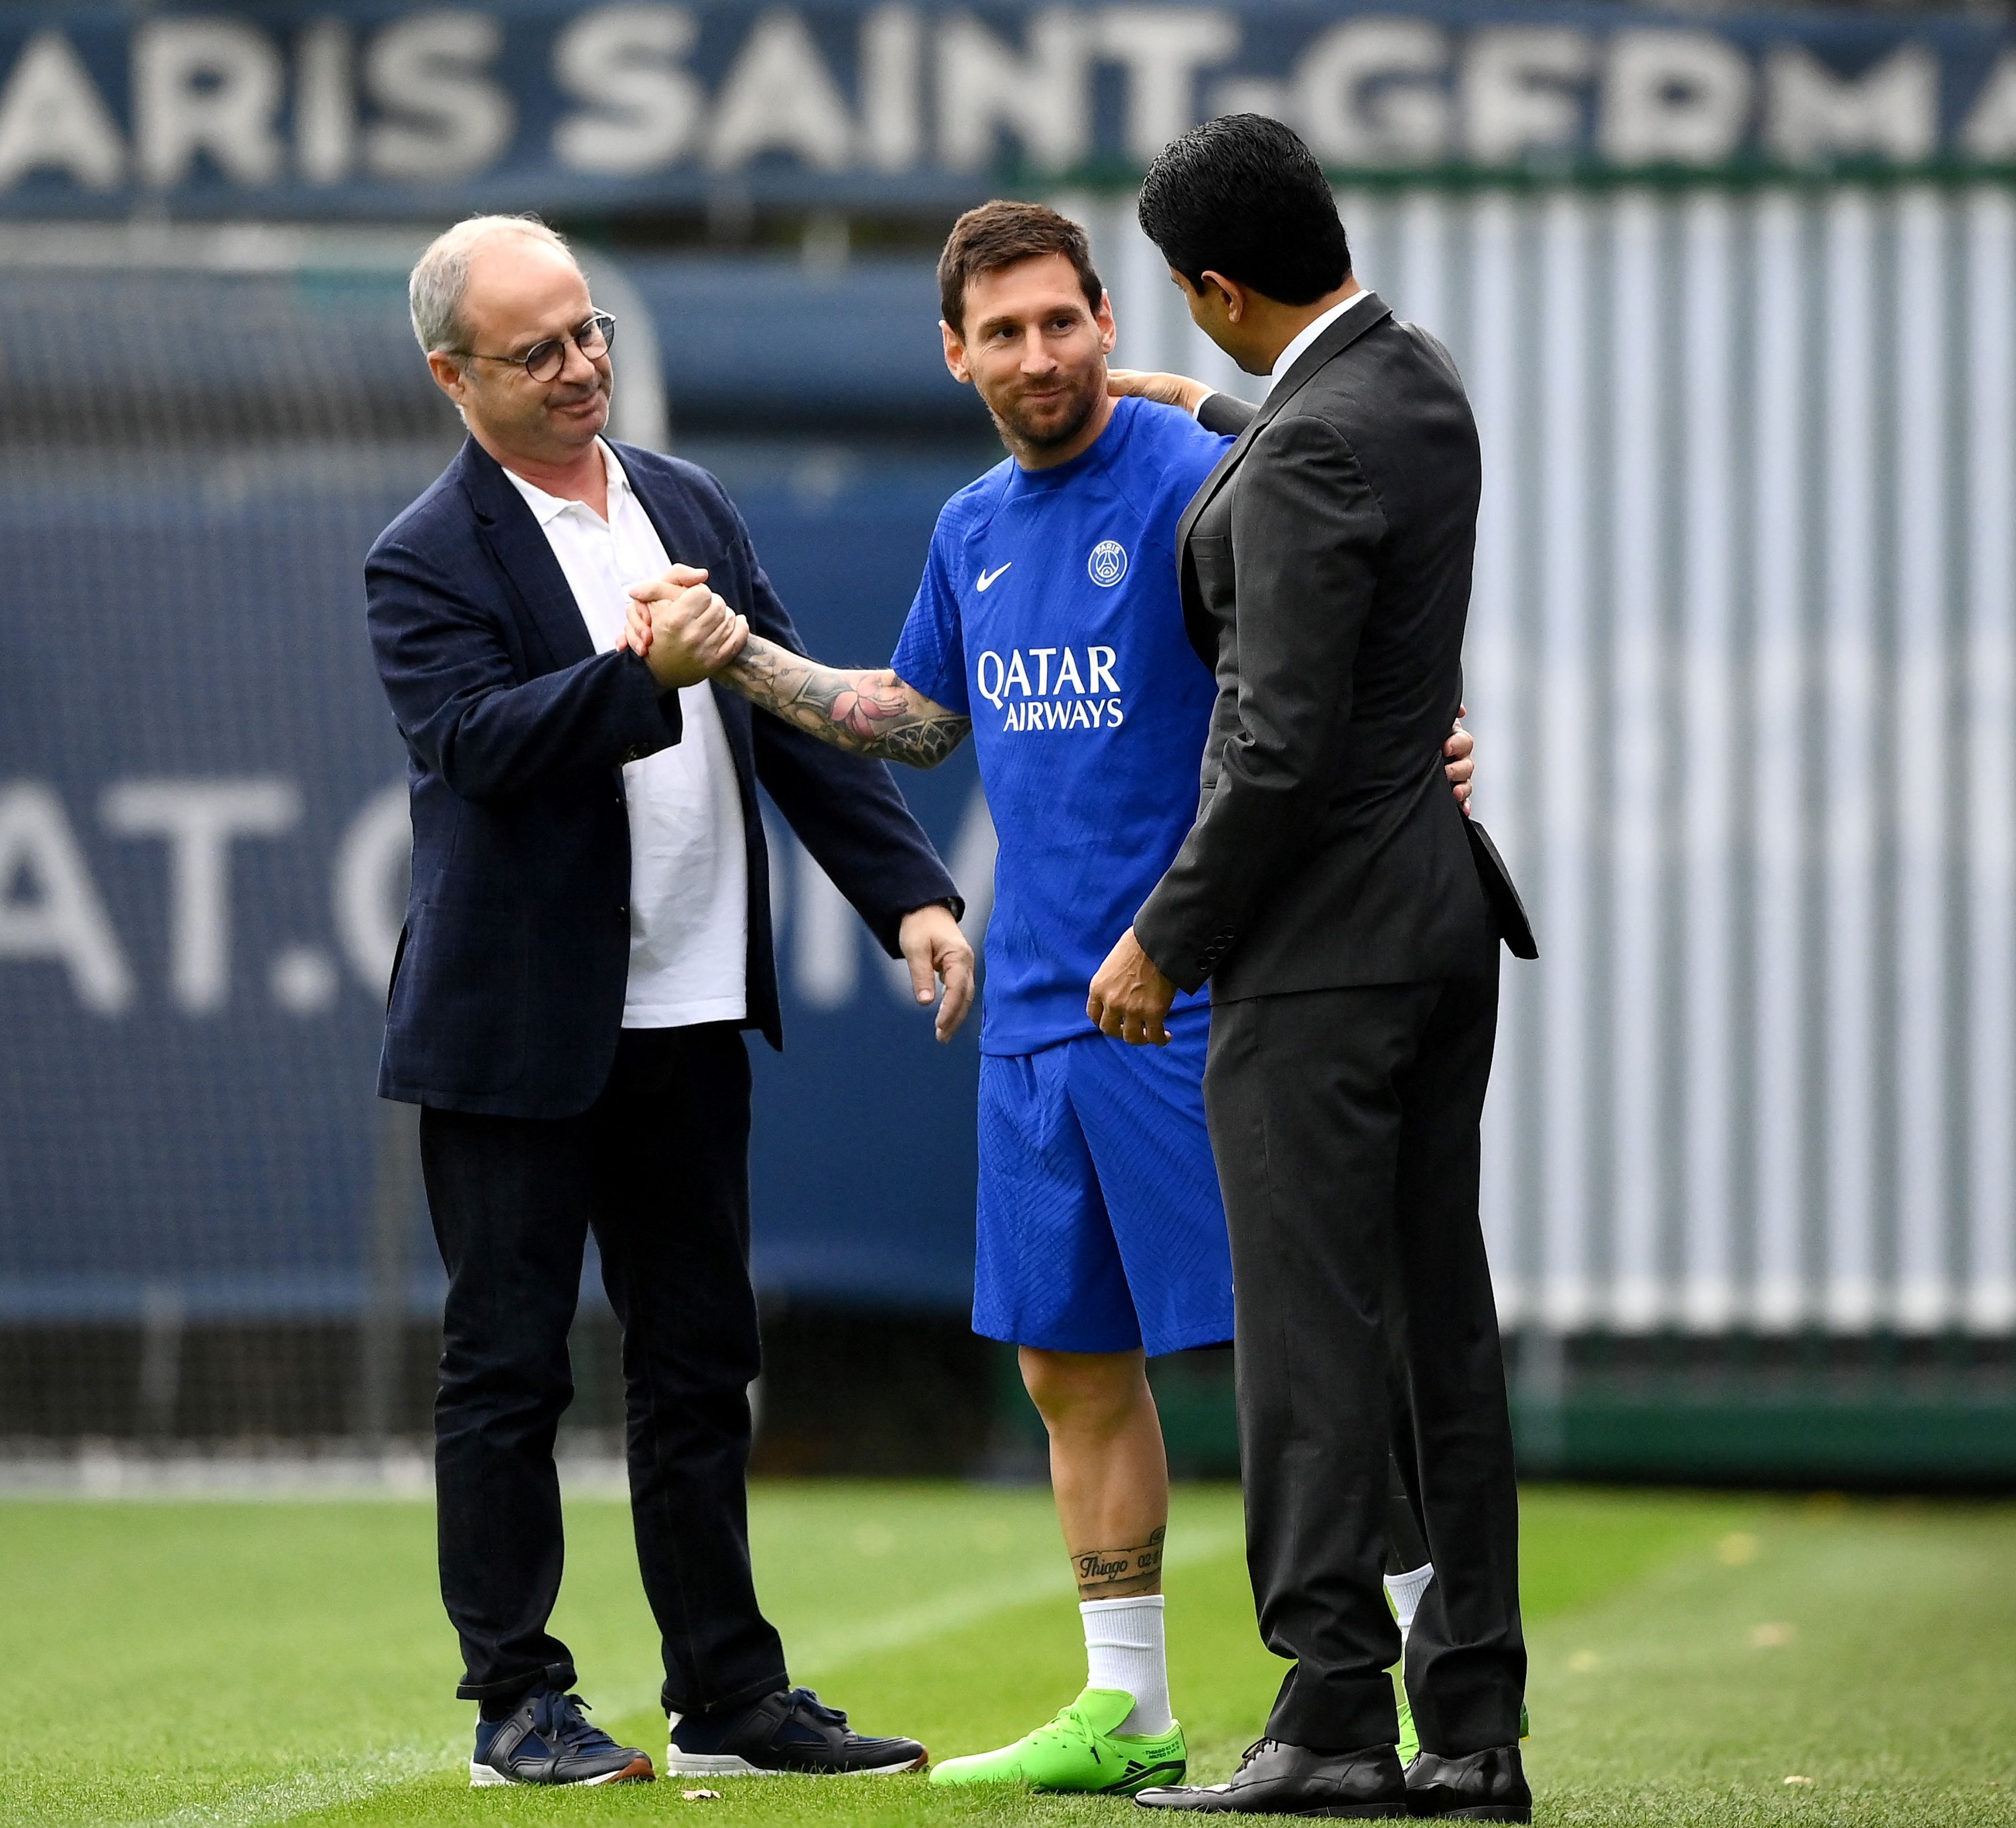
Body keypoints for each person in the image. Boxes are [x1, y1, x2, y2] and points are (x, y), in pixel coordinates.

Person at [621, 200, 1473, 1797]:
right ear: (954, 354)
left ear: (1105, 318)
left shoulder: (1206, 477)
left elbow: (1343, 632)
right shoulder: (967, 530)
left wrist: (1423, 743)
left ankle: (1429, 1684)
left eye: (1060, 320)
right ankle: (1125, 1704)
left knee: (1299, 1356)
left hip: (1199, 995)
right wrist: (741, 656)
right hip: (1033, 1012)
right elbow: (918, 718)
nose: (1037, 354)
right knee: (1069, 1363)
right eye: (1000, 332)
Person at [364, 213, 971, 1789]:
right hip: (513, 1031)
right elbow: (478, 744)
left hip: (692, 1011)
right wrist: (644, 676)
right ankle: (517, 1703)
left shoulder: (685, 499)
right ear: (453, 374)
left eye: (589, 334)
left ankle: (727, 1692)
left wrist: (908, 892)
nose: (581, 368)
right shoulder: (423, 554)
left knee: (699, 1360)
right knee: (507, 1367)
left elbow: (795, 723)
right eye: (537, 350)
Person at [1086, 117, 1533, 1820]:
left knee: (1306, 1340)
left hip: (1320, 955)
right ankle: (1472, 1727)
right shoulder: (1413, 384)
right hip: (1438, 925)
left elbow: (1267, 749)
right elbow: (1308, 443)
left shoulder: (1304, 454)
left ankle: (1333, 1709)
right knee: (1437, 1332)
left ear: (1215, 285)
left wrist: (1159, 937)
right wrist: (1198, 409)